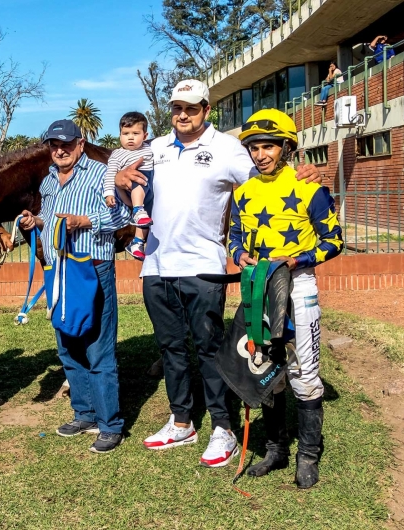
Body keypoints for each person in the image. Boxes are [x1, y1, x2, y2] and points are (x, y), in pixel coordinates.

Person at [113, 79, 321, 467]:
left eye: (191, 108)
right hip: (156, 266)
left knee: (210, 350)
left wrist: (302, 174)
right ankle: (181, 422)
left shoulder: (227, 149)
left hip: (204, 268)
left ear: (206, 110)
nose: (183, 115)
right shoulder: (154, 148)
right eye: (177, 107)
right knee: (171, 349)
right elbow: (130, 192)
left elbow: (267, 180)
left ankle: (222, 428)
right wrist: (122, 183)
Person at [230, 108, 343, 488]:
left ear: (286, 147)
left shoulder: (311, 187)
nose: (260, 154)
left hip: (298, 288)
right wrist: (238, 256)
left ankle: (308, 455)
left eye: (268, 146)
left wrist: (298, 259)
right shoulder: (242, 193)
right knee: (266, 370)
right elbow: (234, 238)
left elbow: (335, 241)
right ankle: (276, 451)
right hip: (258, 289)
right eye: (254, 148)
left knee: (303, 372)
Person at [18, 119, 131, 454]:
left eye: (66, 144)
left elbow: (123, 216)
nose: (60, 150)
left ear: (80, 144)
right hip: (59, 271)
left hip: (92, 268)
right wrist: (35, 222)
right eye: (54, 145)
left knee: (98, 347)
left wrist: (87, 221)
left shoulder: (100, 174)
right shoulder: (49, 180)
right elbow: (51, 219)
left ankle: (110, 425)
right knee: (67, 342)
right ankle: (84, 413)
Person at [102, 111, 154, 260]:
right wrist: (109, 193)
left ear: (145, 136)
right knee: (138, 183)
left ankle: (137, 242)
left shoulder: (150, 148)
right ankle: (137, 210)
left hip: (148, 190)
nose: (130, 137)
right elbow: (110, 174)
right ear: (120, 135)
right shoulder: (117, 154)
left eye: (135, 133)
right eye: (125, 133)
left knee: (147, 217)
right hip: (132, 189)